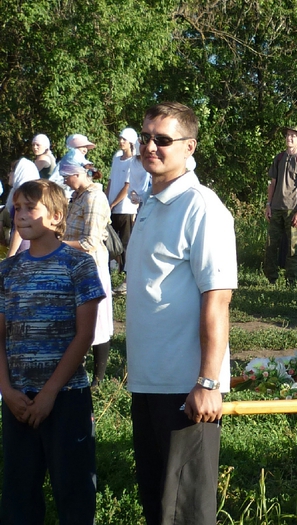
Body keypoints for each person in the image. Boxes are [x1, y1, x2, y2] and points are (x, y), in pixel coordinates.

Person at [125, 102, 237, 525]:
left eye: (163, 140)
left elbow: (218, 297)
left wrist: (208, 382)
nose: (150, 146)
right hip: (149, 379)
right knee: (156, 503)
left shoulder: (201, 206)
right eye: (145, 137)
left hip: (185, 386)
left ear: (190, 147)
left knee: (186, 511)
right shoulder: (151, 201)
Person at [0, 179, 104, 524]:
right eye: (17, 208)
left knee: (74, 493)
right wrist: (7, 390)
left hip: (66, 396)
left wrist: (48, 394)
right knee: (19, 495)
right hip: (18, 400)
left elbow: (84, 334)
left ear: (57, 216)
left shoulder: (78, 264)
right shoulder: (7, 270)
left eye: (31, 208)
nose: (21, 215)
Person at [59, 150, 113, 388]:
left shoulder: (94, 198)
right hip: (75, 265)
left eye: (66, 176)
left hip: (92, 268)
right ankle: (77, 373)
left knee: (98, 322)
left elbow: (90, 242)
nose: (64, 181)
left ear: (77, 174)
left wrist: (58, 244)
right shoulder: (78, 196)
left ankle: (98, 381)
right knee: (77, 321)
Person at [264, 126, 297, 285]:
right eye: (288, 135)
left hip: (293, 210)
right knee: (271, 246)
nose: (289, 138)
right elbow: (272, 184)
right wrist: (268, 205)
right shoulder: (278, 158)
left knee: (293, 248)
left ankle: (291, 280)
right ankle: (271, 279)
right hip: (276, 209)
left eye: (293, 136)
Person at [106, 127, 140, 280]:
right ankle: (110, 273)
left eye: (124, 139)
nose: (121, 142)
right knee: (109, 241)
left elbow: (127, 186)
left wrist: (113, 203)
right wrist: (107, 201)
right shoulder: (116, 159)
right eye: (120, 138)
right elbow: (111, 181)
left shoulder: (133, 162)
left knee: (125, 243)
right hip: (112, 208)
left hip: (125, 208)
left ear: (131, 142)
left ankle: (126, 277)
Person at [6, 158, 40, 257]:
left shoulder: (23, 198)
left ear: (20, 172)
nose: (9, 174)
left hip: (22, 245)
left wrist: (10, 255)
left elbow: (19, 229)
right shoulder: (29, 196)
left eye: (12, 171)